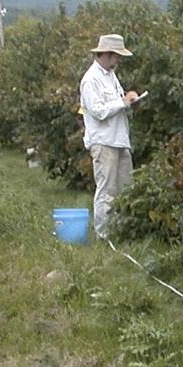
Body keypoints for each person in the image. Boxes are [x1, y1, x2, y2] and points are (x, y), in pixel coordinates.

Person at [80, 33, 141, 239]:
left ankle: (122, 231)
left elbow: (117, 101)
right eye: (117, 56)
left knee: (125, 187)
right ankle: (104, 235)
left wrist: (129, 99)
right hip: (103, 141)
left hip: (119, 139)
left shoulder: (110, 75)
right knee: (106, 190)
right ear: (106, 54)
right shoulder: (91, 80)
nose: (119, 60)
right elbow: (98, 110)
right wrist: (122, 103)